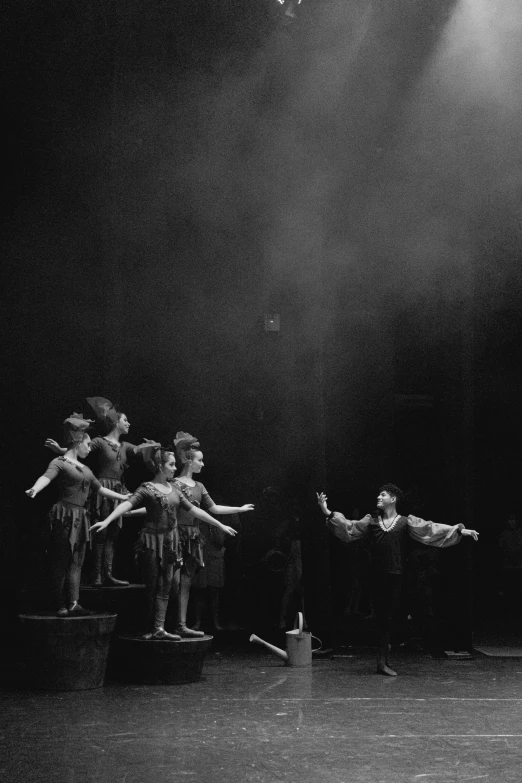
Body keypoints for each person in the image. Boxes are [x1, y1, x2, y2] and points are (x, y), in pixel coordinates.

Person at [317, 483, 479, 675]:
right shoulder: (372, 521)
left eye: (382, 495)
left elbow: (430, 529)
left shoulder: (405, 522)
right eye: (378, 494)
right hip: (375, 576)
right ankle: (381, 661)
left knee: (389, 618)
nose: (378, 497)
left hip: (396, 576)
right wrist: (327, 511)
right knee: (381, 619)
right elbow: (350, 527)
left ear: (393, 499)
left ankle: (383, 655)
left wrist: (459, 530)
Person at [89, 445, 238, 640]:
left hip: (171, 541)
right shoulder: (147, 488)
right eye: (171, 464)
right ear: (160, 465)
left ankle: (159, 627)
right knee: (153, 584)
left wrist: (220, 524)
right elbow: (129, 503)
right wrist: (108, 520)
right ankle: (149, 627)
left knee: (167, 585)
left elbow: (196, 511)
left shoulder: (175, 489)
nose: (175, 468)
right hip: (152, 540)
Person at [26, 414, 131, 616]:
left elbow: (100, 489)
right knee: (61, 559)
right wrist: (35, 489)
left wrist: (125, 498)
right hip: (65, 514)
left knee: (77, 561)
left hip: (81, 517)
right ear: (77, 442)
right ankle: (58, 603)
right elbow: (46, 477)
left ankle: (74, 602)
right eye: (88, 444)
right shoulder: (60, 462)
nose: (89, 448)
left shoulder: (86, 469)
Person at [45, 396, 155, 586]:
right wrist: (59, 450)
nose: (128, 423)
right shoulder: (100, 442)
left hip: (118, 489)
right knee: (101, 533)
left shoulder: (125, 446)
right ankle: (97, 575)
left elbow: (139, 450)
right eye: (125, 420)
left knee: (113, 533)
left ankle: (108, 574)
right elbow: (75, 447)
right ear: (115, 422)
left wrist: (153, 448)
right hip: (103, 488)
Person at [172, 432, 255, 637]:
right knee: (172, 582)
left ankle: (181, 624)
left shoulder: (199, 486)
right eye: (200, 460)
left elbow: (214, 508)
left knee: (186, 582)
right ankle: (164, 624)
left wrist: (240, 509)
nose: (203, 464)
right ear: (190, 461)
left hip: (192, 536)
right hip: (174, 534)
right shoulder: (173, 484)